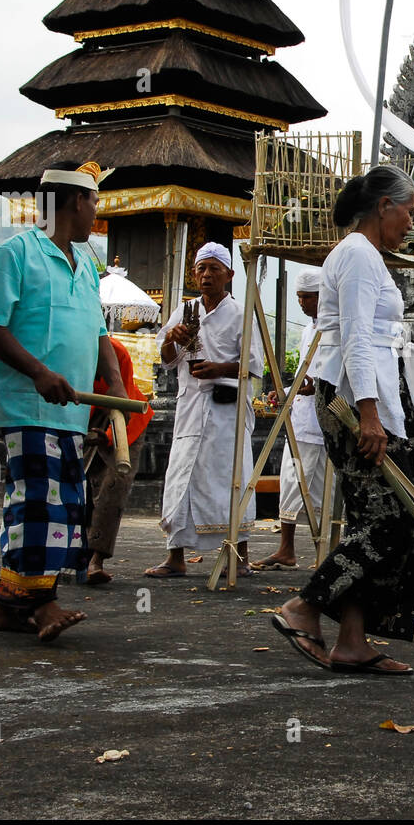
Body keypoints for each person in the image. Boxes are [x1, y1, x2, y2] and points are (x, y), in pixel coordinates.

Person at [272, 164, 414, 675]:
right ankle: (304, 607)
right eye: (409, 212)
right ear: (385, 205)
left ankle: (352, 640)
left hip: (370, 396)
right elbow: (358, 336)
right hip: (354, 400)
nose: (411, 223)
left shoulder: (364, 256)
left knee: (380, 520)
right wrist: (368, 413)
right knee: (393, 520)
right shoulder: (359, 255)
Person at [0, 160, 124, 642]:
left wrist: (115, 385)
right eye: (95, 203)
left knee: (64, 506)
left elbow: (99, 332)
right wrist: (39, 372)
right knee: (40, 503)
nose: (96, 214)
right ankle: (41, 604)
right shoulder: (14, 254)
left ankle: (8, 607)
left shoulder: (87, 265)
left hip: (72, 409)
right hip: (25, 402)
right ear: (76, 201)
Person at [147, 242, 263, 580]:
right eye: (201, 268)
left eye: (214, 268)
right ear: (194, 274)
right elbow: (167, 360)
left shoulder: (241, 313)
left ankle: (238, 555)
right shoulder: (185, 311)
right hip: (190, 406)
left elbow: (254, 364)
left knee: (229, 475)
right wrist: (172, 336)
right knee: (182, 474)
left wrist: (220, 368)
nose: (207, 274)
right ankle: (175, 556)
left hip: (225, 406)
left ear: (229, 274)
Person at [253, 269, 327, 571]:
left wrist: (317, 388)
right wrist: (284, 392)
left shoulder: (334, 328)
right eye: (298, 297)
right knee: (292, 481)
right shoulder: (310, 330)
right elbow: (303, 375)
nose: (301, 303)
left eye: (306, 297)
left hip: (326, 418)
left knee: (324, 488)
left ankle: (325, 550)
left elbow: (333, 372)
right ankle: (286, 548)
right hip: (303, 418)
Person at [82, 335, 153, 584]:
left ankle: (96, 560)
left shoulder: (114, 351)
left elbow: (121, 399)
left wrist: (110, 437)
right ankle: (74, 556)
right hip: (83, 416)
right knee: (76, 484)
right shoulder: (61, 344)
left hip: (124, 416)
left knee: (113, 485)